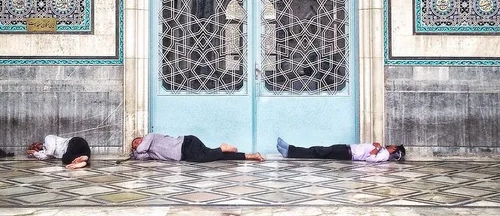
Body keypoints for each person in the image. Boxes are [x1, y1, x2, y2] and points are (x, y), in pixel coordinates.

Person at [130, 133, 265, 163]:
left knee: (204, 157)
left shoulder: (150, 136)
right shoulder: (148, 151)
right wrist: (135, 153)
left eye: (137, 141)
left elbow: (141, 150)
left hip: (186, 144)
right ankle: (250, 156)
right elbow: (140, 156)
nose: (137, 144)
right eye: (134, 145)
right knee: (215, 156)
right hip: (183, 154)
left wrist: (137, 149)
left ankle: (222, 147)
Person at [276, 137, 405, 163]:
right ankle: (290, 150)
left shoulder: (384, 154)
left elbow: (370, 159)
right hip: (347, 148)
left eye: (393, 145)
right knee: (318, 150)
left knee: (318, 151)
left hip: (347, 153)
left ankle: (289, 151)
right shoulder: (383, 151)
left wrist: (377, 148)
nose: (391, 144)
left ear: (394, 149)